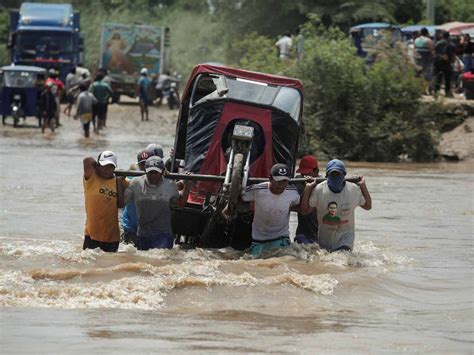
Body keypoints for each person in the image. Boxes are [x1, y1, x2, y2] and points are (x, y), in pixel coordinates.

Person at [301, 159, 372, 252]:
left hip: (345, 238)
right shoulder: (319, 190)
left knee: (342, 258)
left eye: (338, 174)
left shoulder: (353, 189)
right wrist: (307, 189)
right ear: (327, 176)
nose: (335, 177)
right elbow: (305, 211)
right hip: (325, 239)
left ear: (344, 175)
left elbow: (368, 206)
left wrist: (363, 186)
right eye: (332, 174)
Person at [124, 156, 191, 250]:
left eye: (156, 172)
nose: (153, 175)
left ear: (162, 171)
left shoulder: (170, 184)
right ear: (145, 171)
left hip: (163, 234)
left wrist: (187, 185)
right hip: (143, 234)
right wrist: (119, 181)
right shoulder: (136, 183)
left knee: (161, 259)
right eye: (150, 172)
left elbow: (180, 204)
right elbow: (121, 203)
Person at [241, 163, 300, 257]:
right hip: (259, 239)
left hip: (281, 237)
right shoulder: (257, 190)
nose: (281, 185)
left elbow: (298, 206)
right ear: (270, 178)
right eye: (278, 181)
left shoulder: (293, 192)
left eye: (284, 181)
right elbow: (239, 197)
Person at [83, 151, 127, 252]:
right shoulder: (91, 179)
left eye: (110, 167)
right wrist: (97, 166)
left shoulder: (119, 181)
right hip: (92, 235)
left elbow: (120, 205)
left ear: (114, 167)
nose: (107, 170)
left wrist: (119, 183)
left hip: (112, 237)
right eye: (104, 166)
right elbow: (87, 160)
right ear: (98, 166)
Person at [121, 149, 151, 246]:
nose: (145, 167)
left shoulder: (158, 179)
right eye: (143, 164)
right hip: (130, 226)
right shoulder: (131, 179)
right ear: (139, 165)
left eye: (147, 164)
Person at [294, 156, 319, 244]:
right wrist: (307, 188)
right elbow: (295, 205)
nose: (305, 176)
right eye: (303, 174)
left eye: (308, 173)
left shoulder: (323, 185)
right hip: (304, 233)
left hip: (320, 232)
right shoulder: (298, 183)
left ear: (316, 171)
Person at [433, 31, 456, 98]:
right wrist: (453, 62)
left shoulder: (438, 43)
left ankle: (436, 91)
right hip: (447, 63)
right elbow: (454, 55)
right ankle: (447, 92)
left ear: (442, 36)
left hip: (438, 62)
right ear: (449, 36)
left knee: (438, 77)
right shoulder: (452, 44)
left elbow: (435, 52)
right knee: (447, 78)